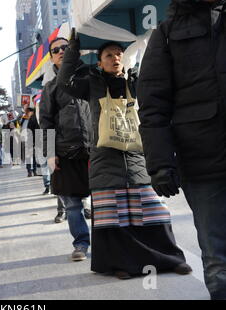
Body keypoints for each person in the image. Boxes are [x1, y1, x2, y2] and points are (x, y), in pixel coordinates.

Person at [57, 30, 192, 279]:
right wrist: (72, 50)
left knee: (154, 212)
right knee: (113, 217)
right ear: (99, 62)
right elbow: (65, 81)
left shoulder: (136, 80)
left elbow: (160, 81)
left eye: (119, 53)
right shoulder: (92, 83)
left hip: (137, 156)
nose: (115, 58)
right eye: (108, 55)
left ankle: (170, 259)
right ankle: (121, 265)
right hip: (105, 160)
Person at [137, 0, 226, 299]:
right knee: (217, 256)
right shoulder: (166, 32)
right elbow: (153, 105)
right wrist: (160, 164)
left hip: (201, 158)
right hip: (201, 162)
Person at [40, 37, 92, 260]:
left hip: (96, 150)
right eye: (56, 50)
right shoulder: (50, 88)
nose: (61, 51)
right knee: (72, 205)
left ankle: (109, 244)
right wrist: (51, 153)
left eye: (66, 47)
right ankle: (81, 244)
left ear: (76, 52)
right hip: (66, 153)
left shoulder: (92, 77)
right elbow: (46, 123)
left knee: (103, 201)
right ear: (52, 57)